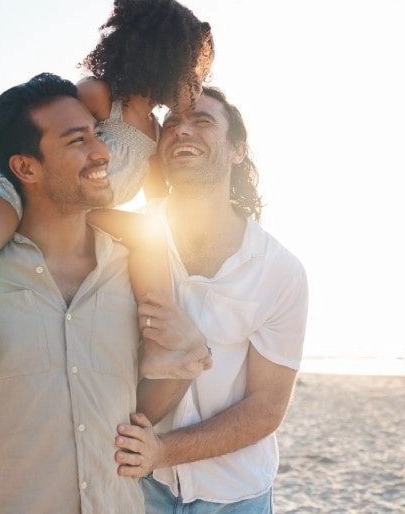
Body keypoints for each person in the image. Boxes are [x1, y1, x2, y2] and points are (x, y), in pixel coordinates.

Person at [0, 73, 200, 513]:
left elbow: (143, 411)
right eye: (76, 141)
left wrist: (187, 359)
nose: (101, 151)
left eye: (96, 134)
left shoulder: (136, 270)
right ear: (26, 167)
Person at [0, 0, 215, 441]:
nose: (195, 81)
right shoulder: (99, 96)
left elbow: (157, 202)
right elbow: (31, 136)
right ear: (164, 58)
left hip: (84, 213)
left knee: (148, 236)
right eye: (191, 70)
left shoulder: (153, 131)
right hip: (21, 190)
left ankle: (159, 347)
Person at [112, 87, 309, 512]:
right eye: (172, 124)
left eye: (201, 121)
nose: (182, 130)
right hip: (134, 487)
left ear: (238, 150)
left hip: (235, 494)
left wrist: (162, 451)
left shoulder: (279, 270)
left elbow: (267, 407)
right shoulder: (121, 239)